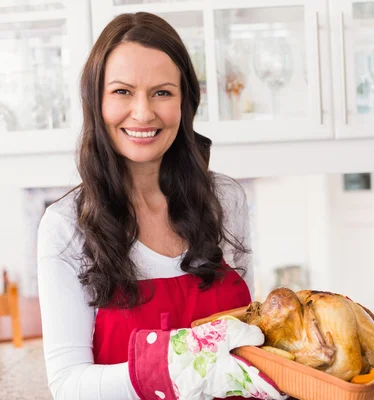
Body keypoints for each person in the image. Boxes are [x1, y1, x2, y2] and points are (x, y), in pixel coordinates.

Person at [37, 12, 284, 400]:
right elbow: (70, 386)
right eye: (122, 91)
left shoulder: (224, 199)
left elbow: (246, 340)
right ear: (95, 101)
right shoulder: (67, 225)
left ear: (185, 101)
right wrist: (182, 368)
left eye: (162, 92)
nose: (143, 112)